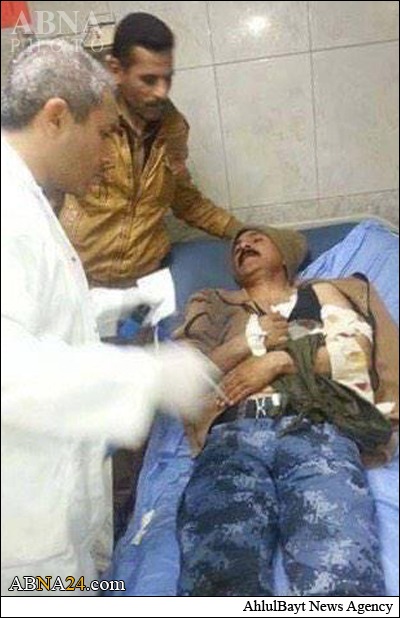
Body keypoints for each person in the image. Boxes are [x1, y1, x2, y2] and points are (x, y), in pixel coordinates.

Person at [1, 40, 217, 596]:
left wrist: (120, 301)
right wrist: (153, 375)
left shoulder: (26, 199)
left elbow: (36, 316)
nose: (106, 156)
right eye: (102, 134)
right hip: (20, 536)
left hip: (47, 502)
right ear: (56, 118)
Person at [173, 225, 398, 596]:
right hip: (232, 436)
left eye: (257, 239)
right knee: (218, 566)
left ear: (285, 254)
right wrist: (248, 342)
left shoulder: (322, 293)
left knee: (339, 559)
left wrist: (278, 361)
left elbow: (355, 357)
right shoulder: (214, 304)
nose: (244, 245)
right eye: (237, 245)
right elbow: (186, 379)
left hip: (316, 426)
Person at [59, 12, 243, 287]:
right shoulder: (85, 121)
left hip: (149, 280)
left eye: (167, 79)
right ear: (116, 70)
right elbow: (46, 194)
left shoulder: (173, 127)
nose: (161, 92)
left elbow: (184, 198)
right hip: (81, 281)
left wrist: (243, 231)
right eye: (149, 80)